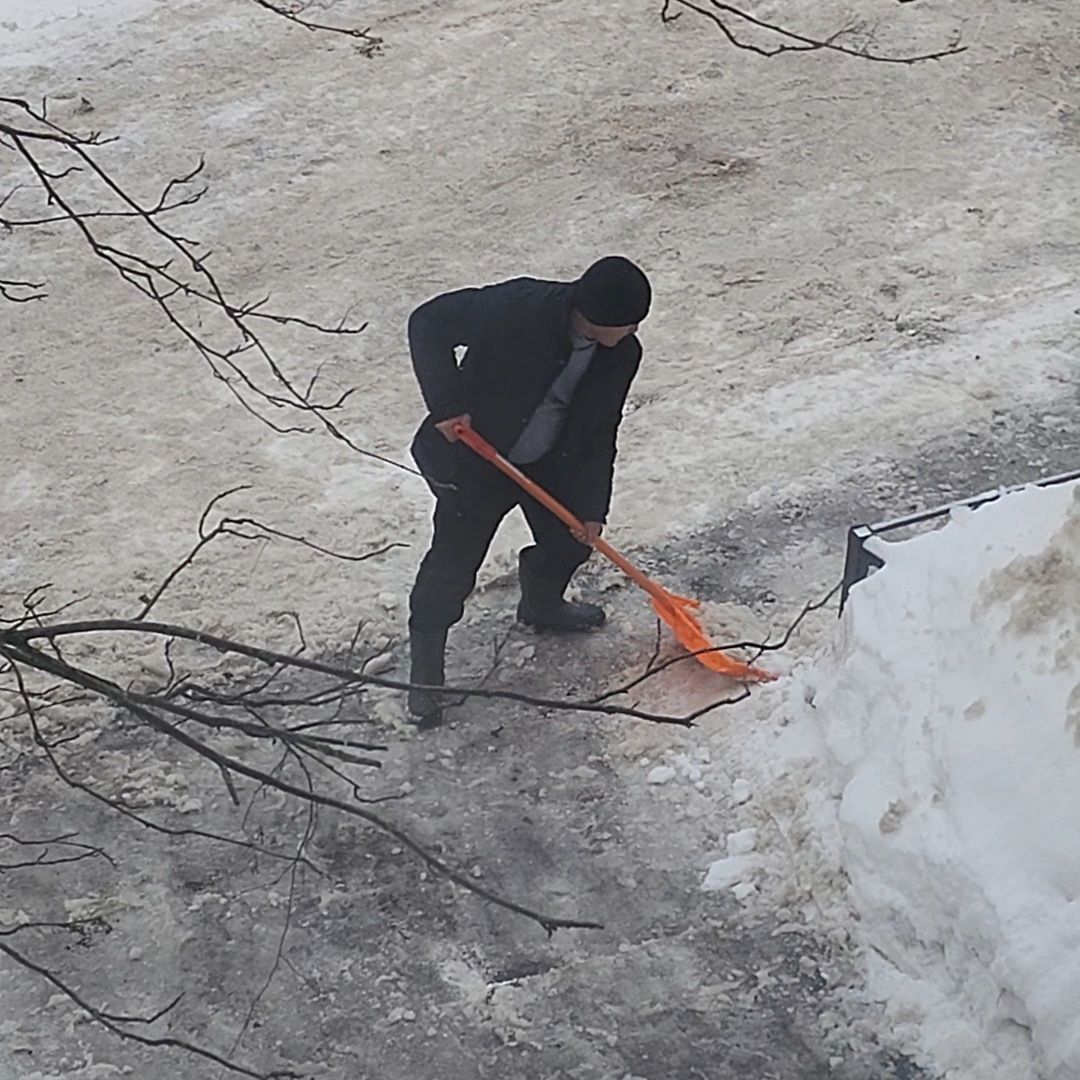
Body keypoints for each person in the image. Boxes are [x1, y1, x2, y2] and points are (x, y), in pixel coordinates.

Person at [405, 255, 651, 725]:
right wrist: (447, 405)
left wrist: (591, 506)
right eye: (628, 323)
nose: (634, 332)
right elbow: (429, 322)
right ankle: (423, 677)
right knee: (451, 568)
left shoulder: (622, 353)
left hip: (553, 462)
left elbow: (602, 429)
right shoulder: (520, 308)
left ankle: (541, 606)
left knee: (570, 542)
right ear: (597, 318)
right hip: (476, 457)